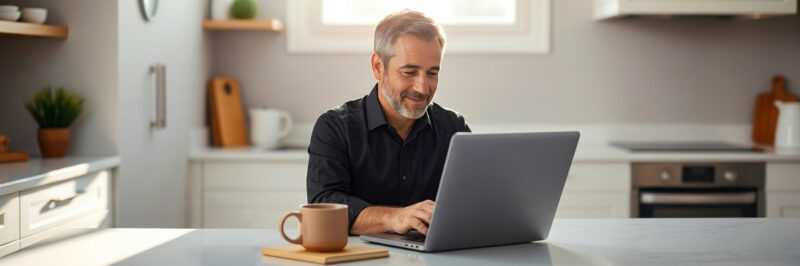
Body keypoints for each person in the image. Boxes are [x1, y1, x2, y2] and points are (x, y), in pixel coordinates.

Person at [306, 10, 470, 236]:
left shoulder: (454, 128)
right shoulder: (334, 127)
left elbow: (476, 201)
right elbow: (322, 207)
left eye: (432, 73)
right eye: (409, 72)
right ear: (378, 67)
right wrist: (395, 217)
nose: (423, 88)